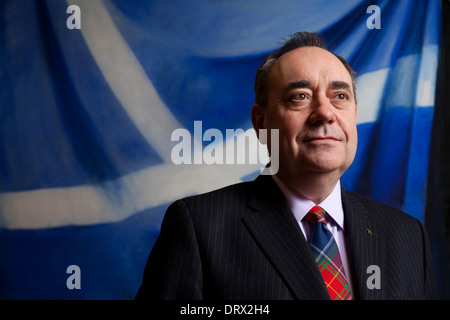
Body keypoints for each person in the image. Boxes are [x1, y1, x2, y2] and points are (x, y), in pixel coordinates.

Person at [135, 32, 438, 300]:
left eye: (340, 96)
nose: (324, 113)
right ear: (261, 122)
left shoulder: (408, 236)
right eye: (300, 97)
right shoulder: (199, 228)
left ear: (353, 115)